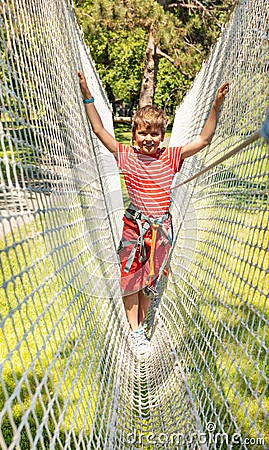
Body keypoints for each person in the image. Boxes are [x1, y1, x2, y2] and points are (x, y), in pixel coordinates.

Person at [78, 70, 229, 352]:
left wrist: (216, 107)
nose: (148, 138)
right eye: (143, 132)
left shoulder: (171, 157)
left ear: (162, 136)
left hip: (161, 229)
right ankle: (135, 330)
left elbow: (204, 140)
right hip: (134, 226)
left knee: (150, 280)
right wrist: (88, 95)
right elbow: (99, 130)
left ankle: (142, 321)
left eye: (154, 133)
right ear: (134, 134)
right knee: (130, 277)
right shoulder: (126, 155)